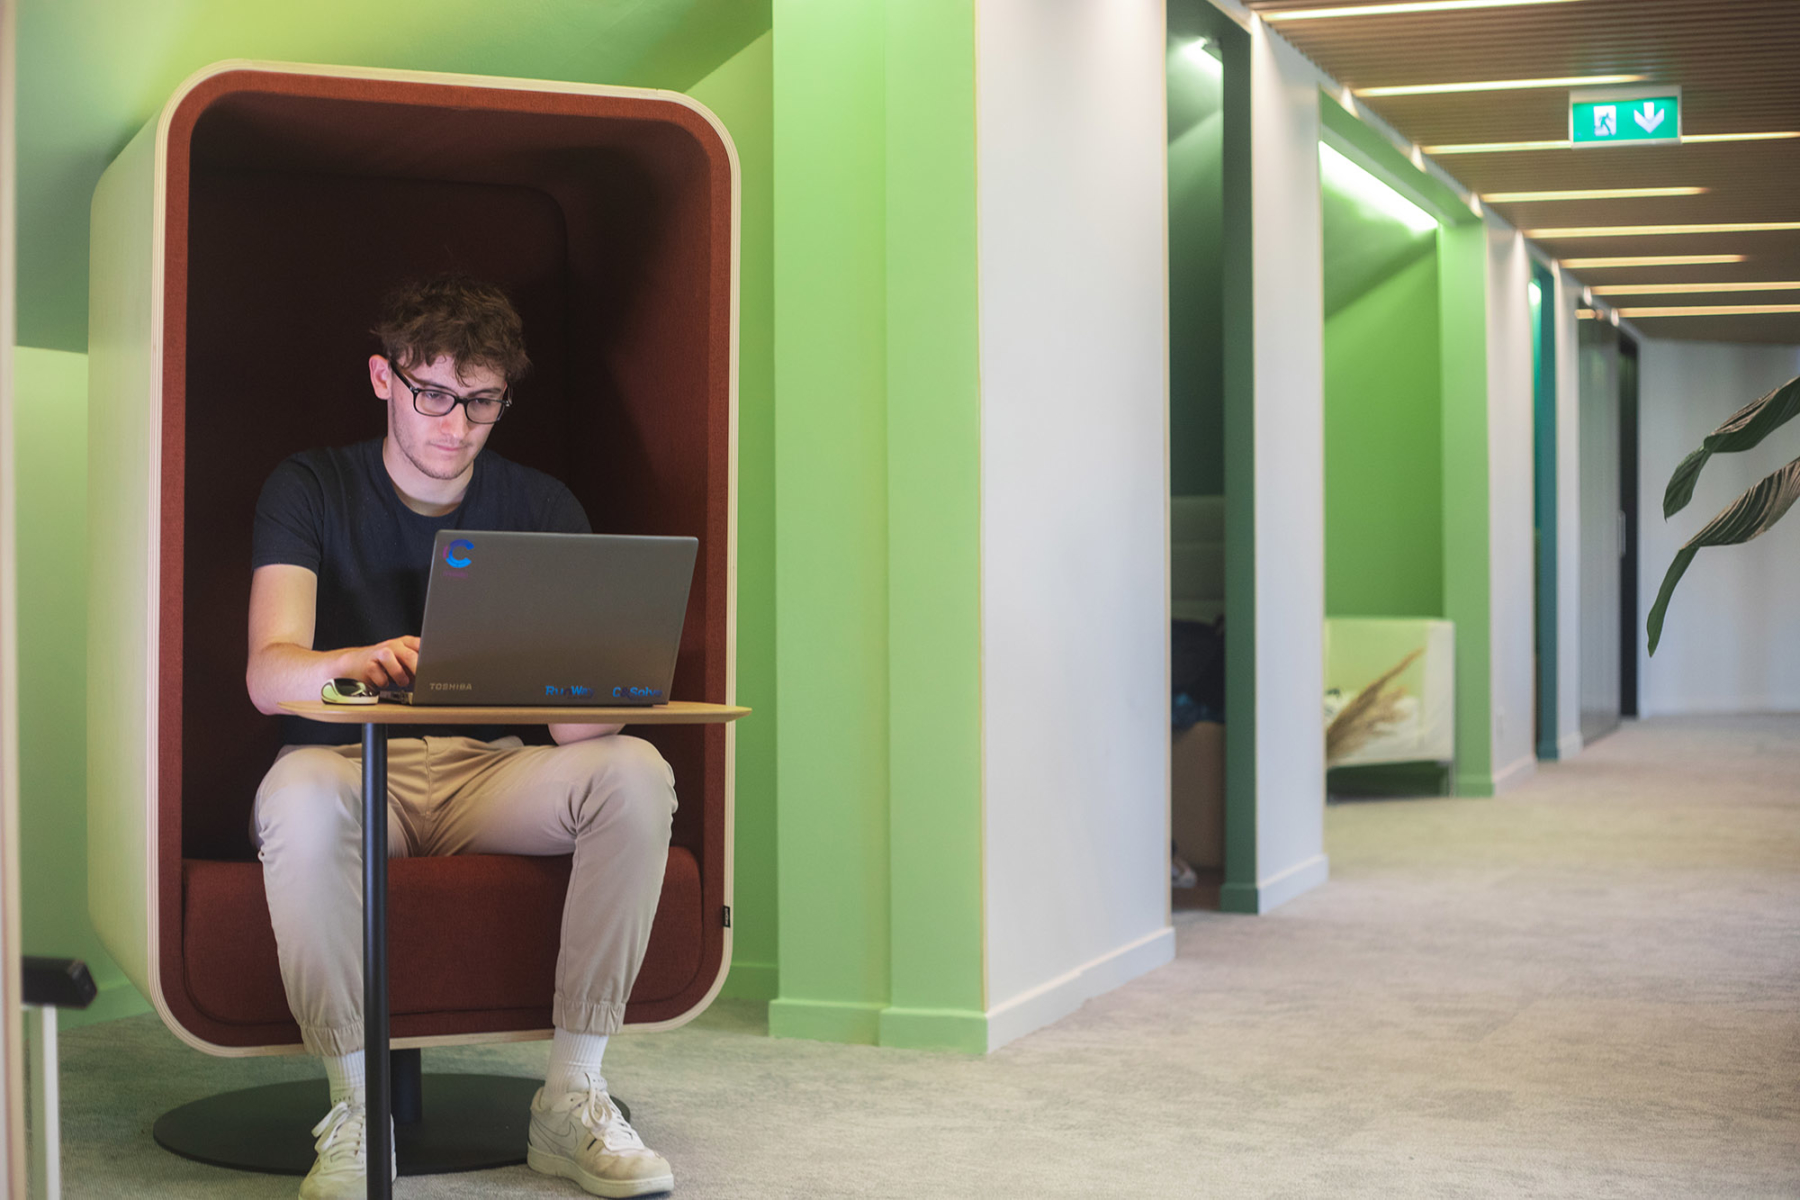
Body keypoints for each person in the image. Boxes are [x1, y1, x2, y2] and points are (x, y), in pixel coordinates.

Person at [245, 275, 677, 1199]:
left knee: (636, 771)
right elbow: (268, 672)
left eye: (481, 403)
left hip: (493, 771)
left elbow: (575, 730)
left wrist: (614, 678)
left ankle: (572, 1098)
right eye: (433, 394)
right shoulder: (311, 485)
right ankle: (357, 1110)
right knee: (294, 796)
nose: (455, 424)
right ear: (383, 380)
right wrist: (359, 659)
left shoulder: (542, 504)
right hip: (350, 766)